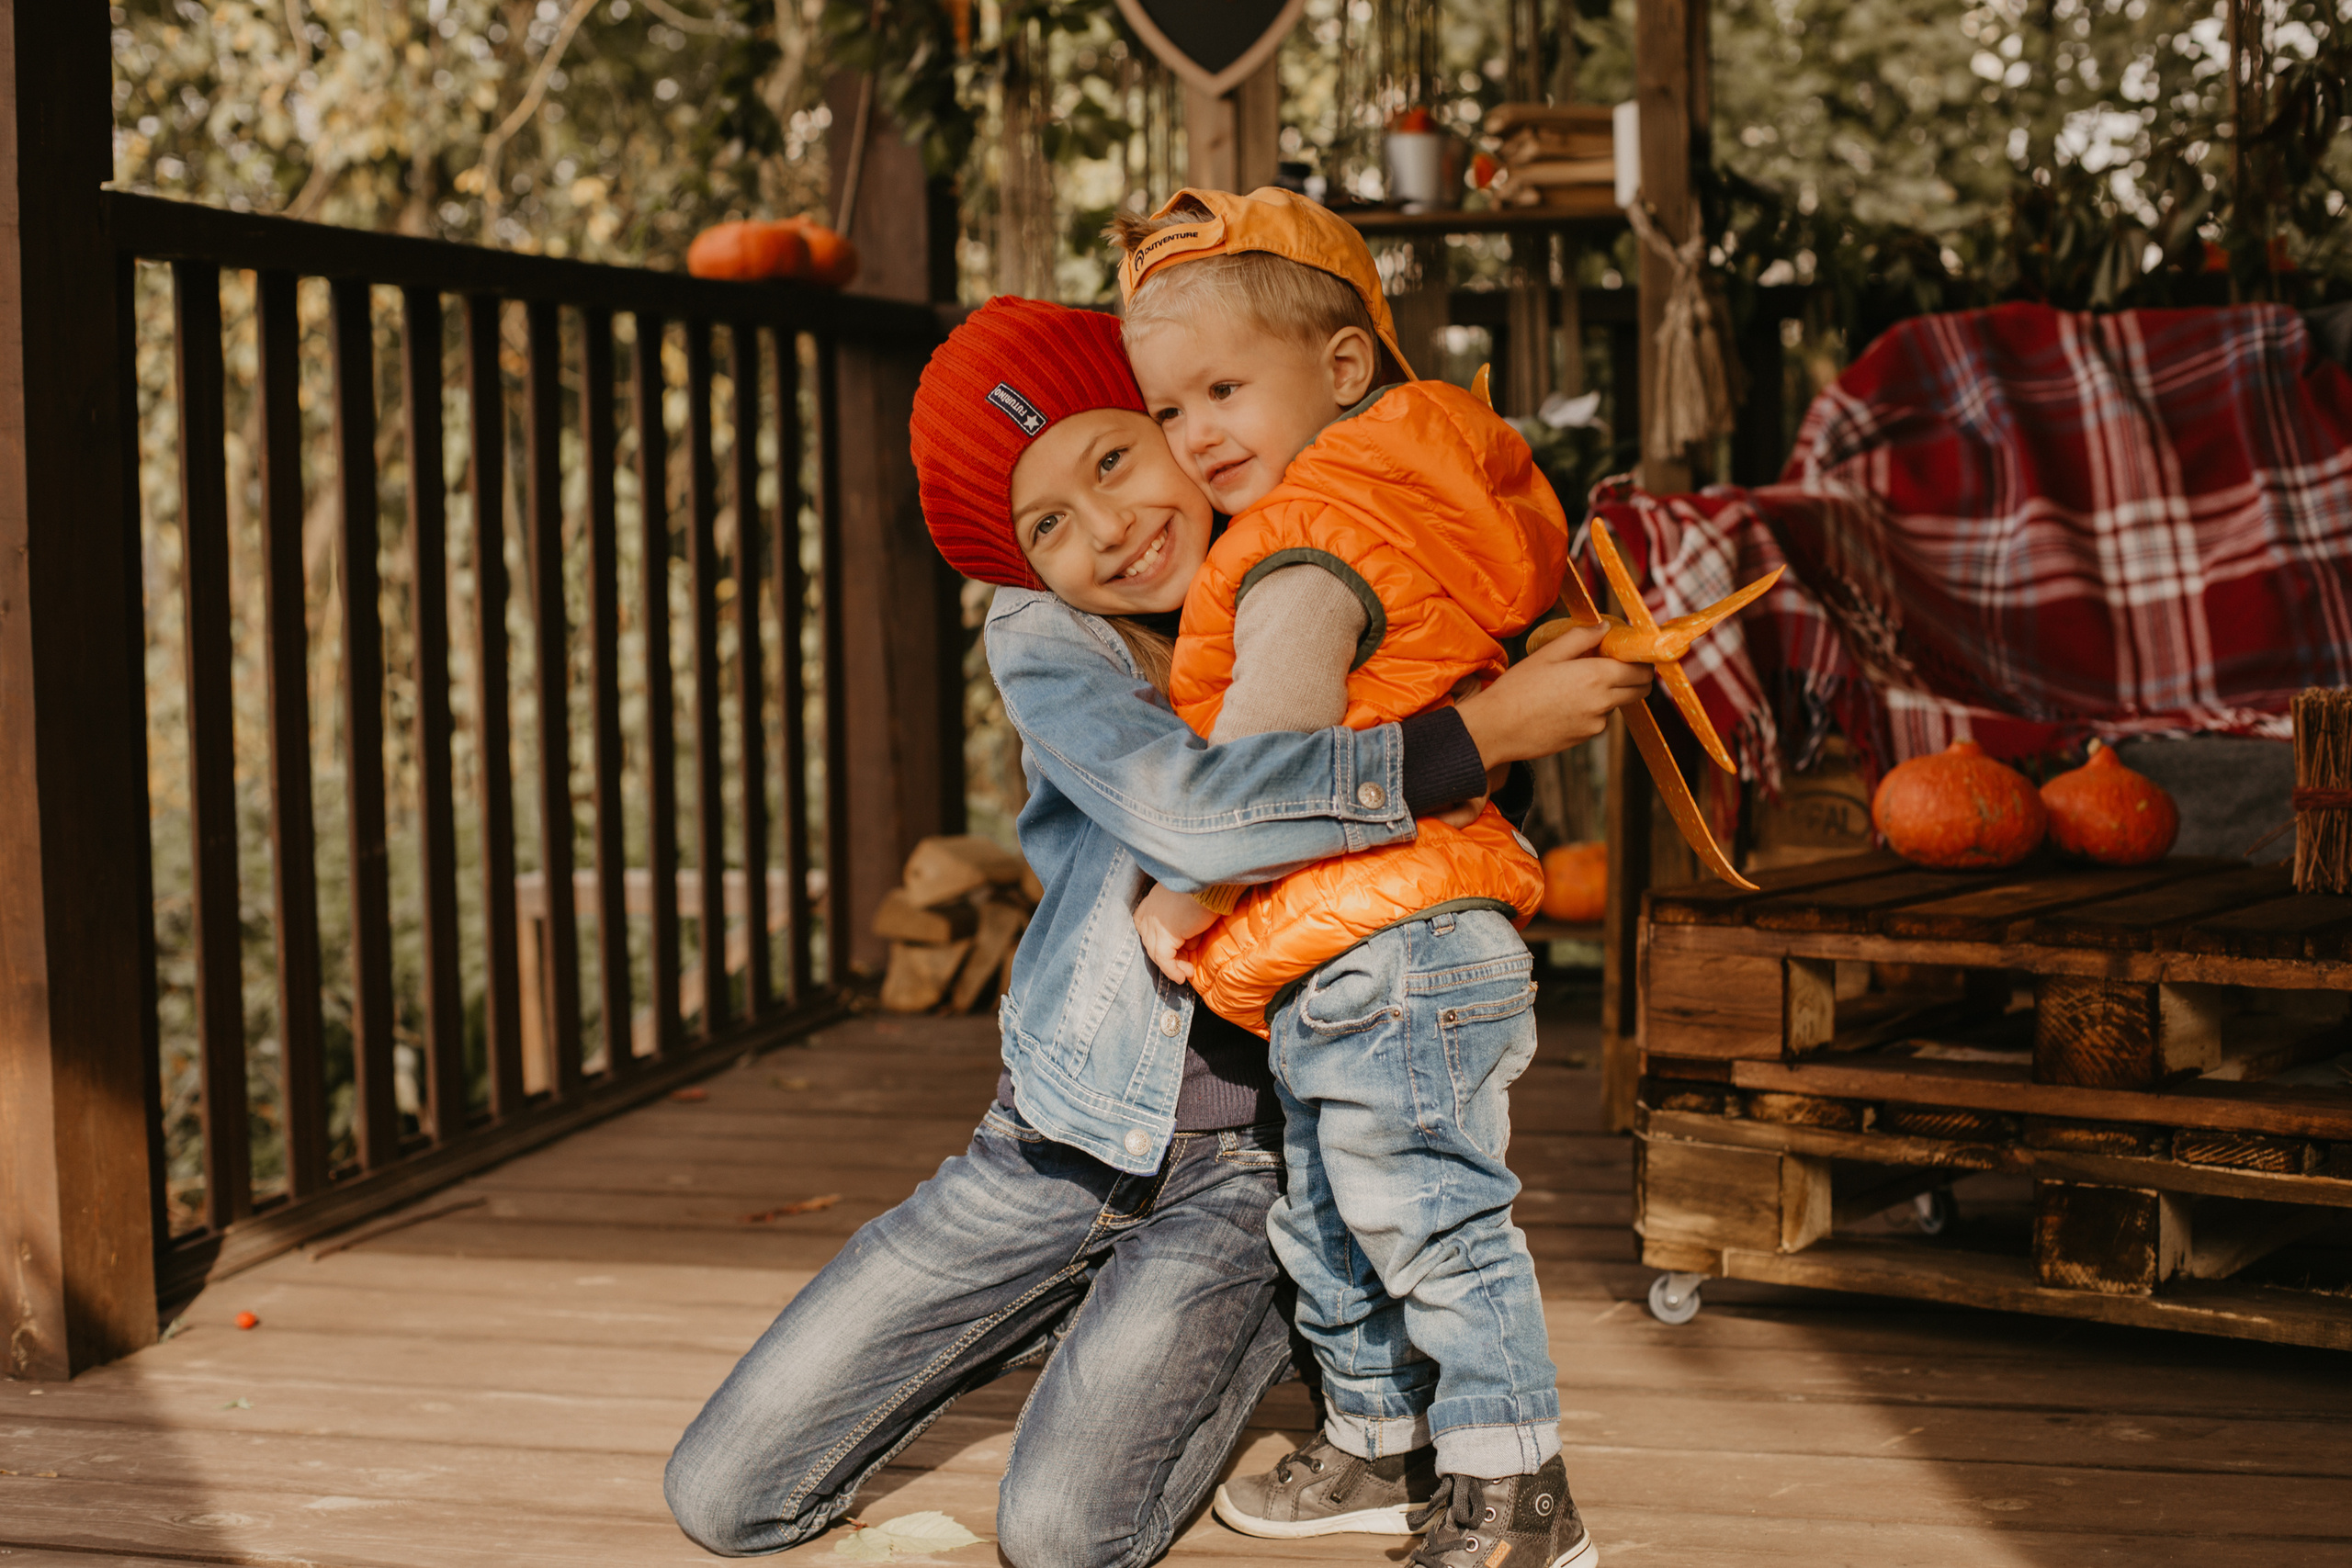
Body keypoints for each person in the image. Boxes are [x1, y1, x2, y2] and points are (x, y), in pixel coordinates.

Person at [663, 296, 1644, 1567]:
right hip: (1053, 1139)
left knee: (1062, 1538)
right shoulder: (1047, 632)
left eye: (1115, 457)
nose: (1111, 530)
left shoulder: (1334, 551)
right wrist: (1482, 736)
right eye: (1049, 524)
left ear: (1182, 425)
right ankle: (1050, 1301)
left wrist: (1525, 668)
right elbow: (1191, 823)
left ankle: (1248, 1315)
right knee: (724, 1492)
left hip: (1248, 1172)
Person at [1110, 186, 1633, 1568]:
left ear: (1344, 368)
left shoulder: (1308, 543)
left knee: (1429, 1220)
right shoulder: (1387, 500)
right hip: (1369, 944)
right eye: (1169, 410)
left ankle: (1518, 1497)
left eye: (1225, 388)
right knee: (1333, 1214)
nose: (1196, 432)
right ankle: (1380, 1443)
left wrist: (1183, 891)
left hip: (1396, 943)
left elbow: (1268, 771)